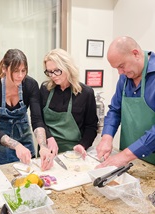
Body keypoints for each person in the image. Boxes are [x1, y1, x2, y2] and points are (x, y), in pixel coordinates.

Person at [0, 49, 54, 170]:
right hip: (1, 146)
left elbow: (37, 120)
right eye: (16, 71)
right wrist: (16, 146)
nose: (20, 75)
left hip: (25, 143)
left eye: (23, 70)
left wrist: (43, 146)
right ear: (4, 69)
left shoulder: (30, 85)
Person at [96, 36, 155, 168]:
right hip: (130, 161)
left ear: (135, 54)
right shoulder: (125, 77)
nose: (120, 73)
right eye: (116, 68)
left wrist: (125, 155)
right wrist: (107, 137)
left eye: (121, 66)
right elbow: (115, 110)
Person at [40, 48, 98, 157]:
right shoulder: (45, 89)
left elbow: (91, 126)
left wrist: (83, 145)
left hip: (74, 151)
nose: (53, 75)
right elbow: (39, 121)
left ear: (67, 67)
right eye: (49, 72)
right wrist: (48, 137)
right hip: (49, 149)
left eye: (57, 71)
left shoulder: (86, 93)